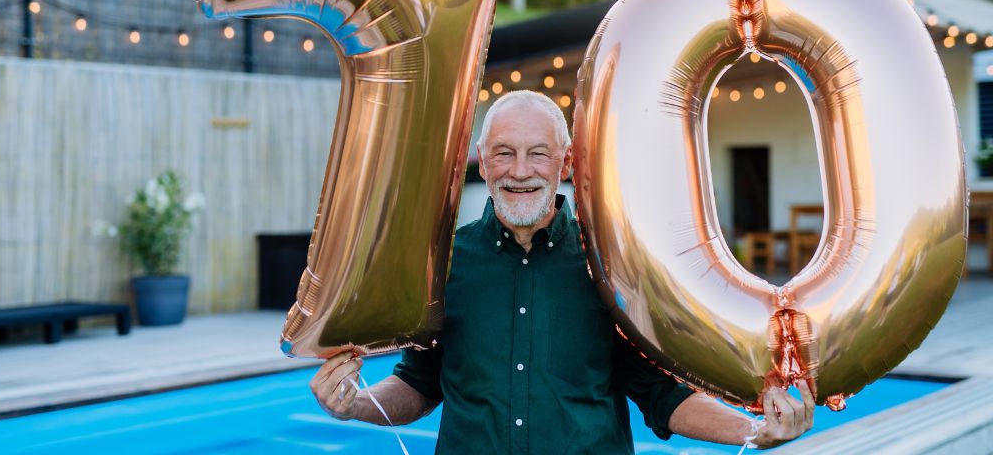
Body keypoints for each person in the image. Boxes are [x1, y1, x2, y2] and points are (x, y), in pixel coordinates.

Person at [310, 90, 814, 452]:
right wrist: (356, 404)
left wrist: (754, 432)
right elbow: (419, 385)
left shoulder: (612, 263)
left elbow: (661, 392)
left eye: (538, 153)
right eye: (504, 154)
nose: (521, 170)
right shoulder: (442, 265)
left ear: (565, 162)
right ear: (482, 163)